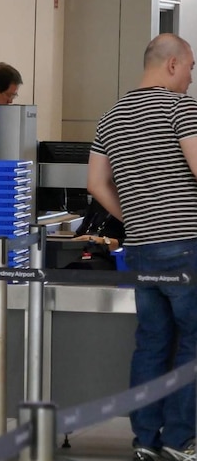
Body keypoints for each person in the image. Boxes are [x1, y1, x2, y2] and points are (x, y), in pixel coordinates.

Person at [87, 33, 197, 461]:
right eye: (190, 68)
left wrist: (135, 218)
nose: (190, 79)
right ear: (172, 64)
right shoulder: (181, 109)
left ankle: (146, 440)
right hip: (186, 244)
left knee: (151, 343)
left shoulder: (110, 115)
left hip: (141, 248)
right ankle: (181, 439)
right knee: (192, 341)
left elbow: (95, 184)